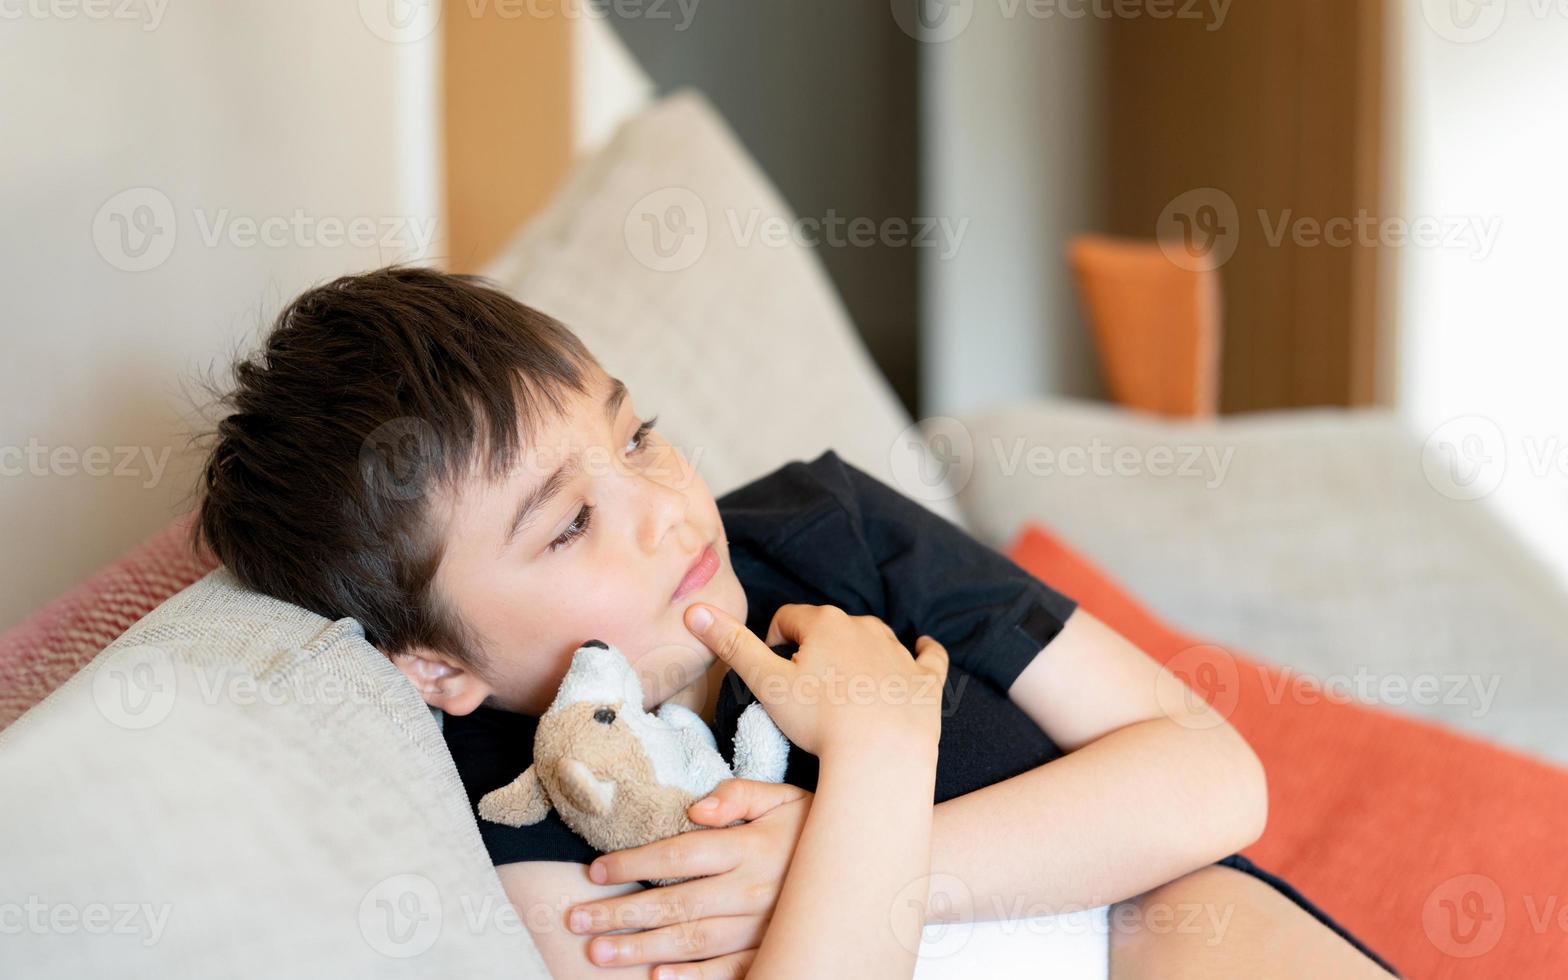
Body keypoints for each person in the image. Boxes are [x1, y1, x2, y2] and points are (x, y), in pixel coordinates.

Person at [193, 265, 1400, 978]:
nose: (668, 509)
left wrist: (858, 869)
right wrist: (874, 762)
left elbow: (1210, 775)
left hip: (1162, 941)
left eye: (637, 434)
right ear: (436, 663)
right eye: (567, 525)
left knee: (1191, 912)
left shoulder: (823, 529)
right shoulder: (520, 830)